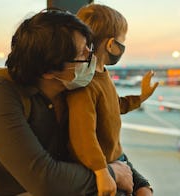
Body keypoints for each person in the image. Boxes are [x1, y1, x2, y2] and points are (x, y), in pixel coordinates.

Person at [0, 8, 135, 196]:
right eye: (82, 53)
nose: (91, 56)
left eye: (90, 47)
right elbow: (44, 179)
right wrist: (112, 174)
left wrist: (140, 182)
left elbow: (106, 144)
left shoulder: (70, 88)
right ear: (48, 70)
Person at [66, 4, 158, 196]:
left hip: (117, 159)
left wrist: (141, 97)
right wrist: (102, 171)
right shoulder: (85, 85)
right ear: (111, 44)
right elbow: (83, 137)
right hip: (101, 168)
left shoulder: (102, 74)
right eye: (123, 40)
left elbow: (115, 106)